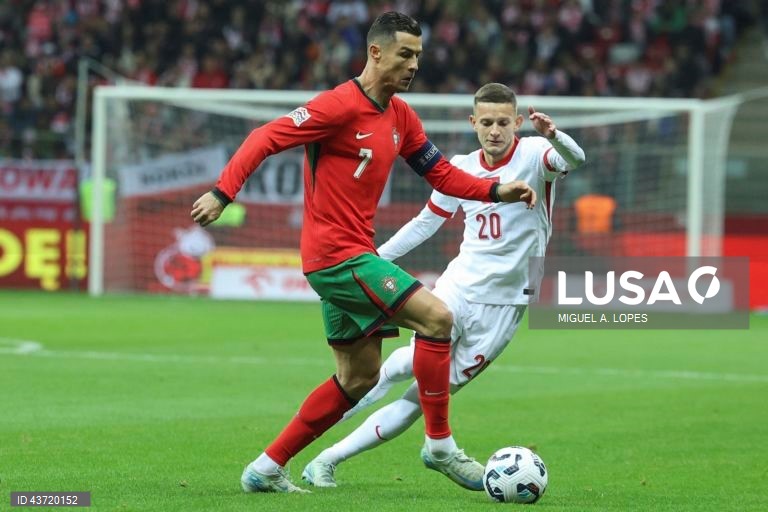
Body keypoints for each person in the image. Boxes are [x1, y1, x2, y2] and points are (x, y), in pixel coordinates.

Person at [190, 13, 537, 494]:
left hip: (353, 255)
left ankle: (266, 467)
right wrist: (222, 193)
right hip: (336, 255)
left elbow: (441, 176)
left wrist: (495, 191)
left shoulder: (401, 116)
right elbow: (265, 137)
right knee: (438, 319)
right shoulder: (337, 106)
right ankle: (439, 445)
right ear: (376, 53)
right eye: (405, 54)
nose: (414, 64)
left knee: (357, 378)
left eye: (418, 55)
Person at [301, 82, 586, 489]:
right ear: (473, 123)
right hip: (458, 286)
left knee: (418, 395)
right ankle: (324, 458)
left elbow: (577, 159)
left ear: (517, 122)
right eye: (486, 122)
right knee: (404, 366)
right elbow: (426, 222)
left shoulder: (536, 156)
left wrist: (554, 134)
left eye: (504, 122)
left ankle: (332, 457)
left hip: (506, 303)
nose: (494, 130)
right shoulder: (461, 166)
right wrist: (376, 258)